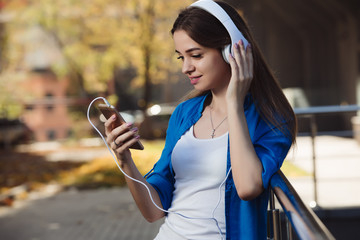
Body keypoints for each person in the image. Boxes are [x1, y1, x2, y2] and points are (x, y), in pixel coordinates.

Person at [104, 0, 297, 239]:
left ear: (233, 50)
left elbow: (247, 188)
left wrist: (234, 103)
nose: (186, 67)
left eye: (196, 55)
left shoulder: (273, 117)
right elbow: (153, 212)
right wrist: (125, 161)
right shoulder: (184, 113)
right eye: (180, 57)